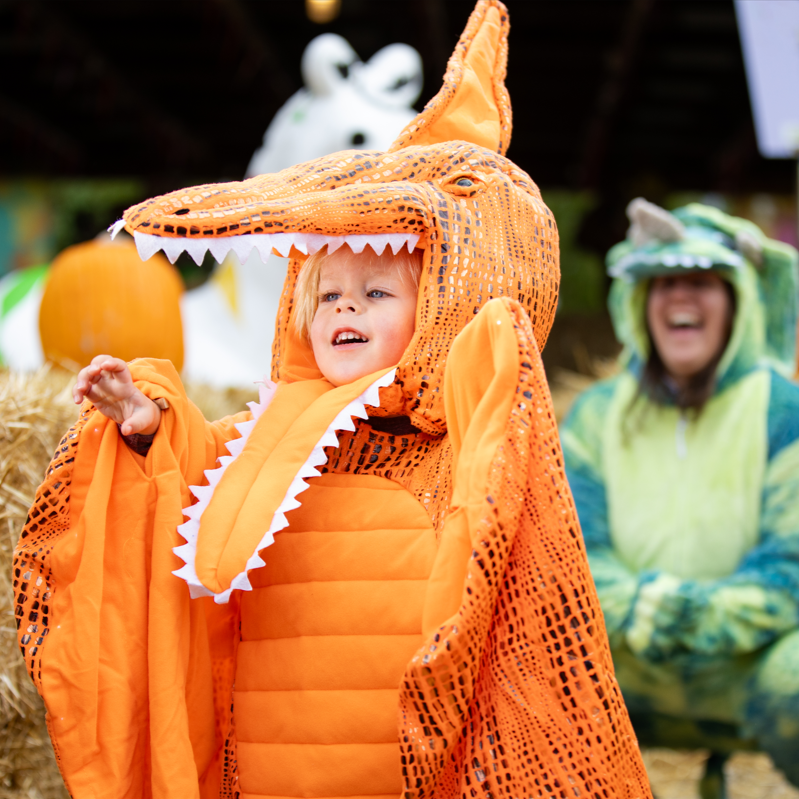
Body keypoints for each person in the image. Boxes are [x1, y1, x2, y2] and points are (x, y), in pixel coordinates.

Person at [13, 3, 651, 797]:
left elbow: (504, 576)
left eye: (376, 292)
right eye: (328, 296)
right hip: (272, 765)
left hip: (398, 769)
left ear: (439, 309)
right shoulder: (273, 433)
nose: (344, 310)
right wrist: (148, 424)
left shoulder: (458, 451)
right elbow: (202, 497)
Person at [560, 198, 799, 783]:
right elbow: (571, 557)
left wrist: (685, 616)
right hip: (620, 664)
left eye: (701, 281)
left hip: (748, 666)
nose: (679, 297)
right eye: (663, 282)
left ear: (739, 302)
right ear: (640, 303)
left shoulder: (784, 412)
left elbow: (790, 568)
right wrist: (640, 611)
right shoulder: (593, 416)